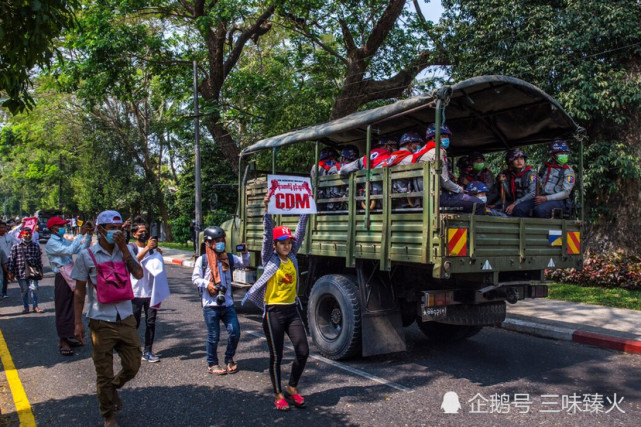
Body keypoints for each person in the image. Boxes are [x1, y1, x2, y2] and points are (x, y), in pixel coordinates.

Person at [71, 210, 144, 427]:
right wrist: (77, 323)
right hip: (100, 321)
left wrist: (123, 249)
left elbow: (138, 274)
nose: (115, 232)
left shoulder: (127, 250)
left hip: (126, 318)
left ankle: (113, 387)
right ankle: (108, 415)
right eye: (111, 228)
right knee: (103, 371)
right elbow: (79, 292)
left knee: (133, 365)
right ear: (100, 230)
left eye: (118, 228)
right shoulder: (87, 256)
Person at [242, 195, 310, 411]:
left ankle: (292, 387)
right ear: (275, 245)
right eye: (283, 243)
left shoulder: (293, 257)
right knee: (277, 356)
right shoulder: (269, 258)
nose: (288, 245)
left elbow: (301, 231)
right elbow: (266, 234)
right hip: (273, 313)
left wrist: (305, 210)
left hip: (291, 311)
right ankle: (278, 393)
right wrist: (267, 210)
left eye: (289, 242)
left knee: (303, 351)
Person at [192, 226, 249, 375]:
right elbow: (195, 278)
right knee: (213, 336)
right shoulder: (202, 260)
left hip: (227, 303)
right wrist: (208, 284)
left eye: (222, 240)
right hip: (210, 305)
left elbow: (244, 263)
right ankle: (212, 363)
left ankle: (229, 358)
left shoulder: (228, 257)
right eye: (217, 241)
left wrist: (244, 253)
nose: (220, 243)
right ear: (209, 243)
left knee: (235, 331)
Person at [45, 216, 93, 356]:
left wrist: (89, 235)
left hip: (70, 274)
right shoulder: (52, 243)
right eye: (60, 226)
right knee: (63, 308)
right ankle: (63, 340)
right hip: (62, 276)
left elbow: (80, 250)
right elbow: (71, 250)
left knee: (72, 307)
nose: (63, 228)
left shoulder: (62, 240)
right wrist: (81, 234)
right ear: (53, 229)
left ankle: (69, 335)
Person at [413, 123, 485, 214]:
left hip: (424, 197)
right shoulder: (437, 152)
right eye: (443, 135)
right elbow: (445, 182)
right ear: (433, 137)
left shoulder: (422, 153)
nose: (446, 138)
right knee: (479, 203)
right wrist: (460, 189)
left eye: (447, 136)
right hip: (439, 197)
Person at [129, 220, 167, 363]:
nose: (144, 234)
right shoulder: (130, 248)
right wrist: (146, 250)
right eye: (141, 232)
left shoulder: (153, 250)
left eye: (145, 232)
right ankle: (132, 350)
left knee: (151, 322)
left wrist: (157, 254)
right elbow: (132, 263)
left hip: (151, 292)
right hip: (136, 292)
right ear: (134, 234)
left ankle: (148, 351)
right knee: (134, 323)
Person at [340, 137, 398, 209]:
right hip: (388, 203)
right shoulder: (392, 158)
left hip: (365, 202)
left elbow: (343, 170)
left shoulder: (364, 159)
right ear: (386, 146)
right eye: (393, 146)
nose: (395, 149)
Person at [534, 140, 576, 218]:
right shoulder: (545, 168)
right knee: (520, 208)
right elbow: (538, 182)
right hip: (542, 197)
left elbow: (566, 193)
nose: (564, 155)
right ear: (552, 155)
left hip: (559, 201)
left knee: (539, 210)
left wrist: (546, 198)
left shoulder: (568, 171)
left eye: (565, 153)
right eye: (561, 153)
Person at [8, 227, 44, 314]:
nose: (28, 236)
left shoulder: (35, 246)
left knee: (34, 288)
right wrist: (10, 272)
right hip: (20, 272)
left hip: (33, 272)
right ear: (22, 235)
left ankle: (35, 306)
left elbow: (39, 260)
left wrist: (41, 270)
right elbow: (11, 260)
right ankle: (26, 307)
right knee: (24, 290)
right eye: (26, 234)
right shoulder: (16, 247)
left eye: (29, 234)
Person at [498, 149, 537, 217]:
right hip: (516, 200)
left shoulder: (532, 173)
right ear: (510, 162)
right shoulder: (509, 174)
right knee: (502, 208)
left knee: (518, 209)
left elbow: (532, 193)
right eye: (516, 159)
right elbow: (508, 194)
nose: (519, 161)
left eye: (521, 159)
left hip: (529, 200)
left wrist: (515, 204)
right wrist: (503, 182)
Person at [0, 221, 19, 299]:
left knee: (5, 277)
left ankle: (4, 292)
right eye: (1, 227)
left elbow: (16, 244)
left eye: (4, 227)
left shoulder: (9, 236)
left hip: (6, 260)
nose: (2, 229)